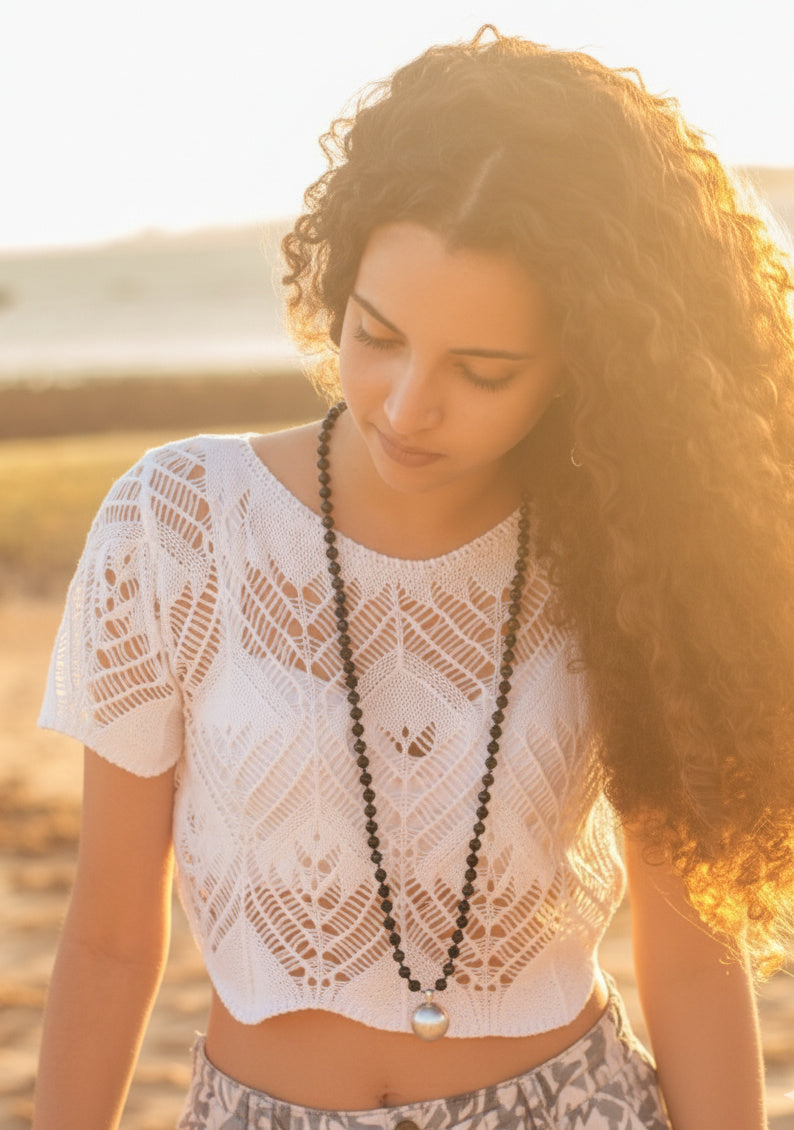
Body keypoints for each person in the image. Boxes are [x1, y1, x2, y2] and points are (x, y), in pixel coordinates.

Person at [33, 25, 794, 1130]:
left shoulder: (629, 556)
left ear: (583, 366)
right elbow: (106, 937)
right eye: (375, 334)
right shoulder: (178, 526)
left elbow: (685, 957)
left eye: (481, 371)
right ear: (336, 282)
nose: (404, 404)